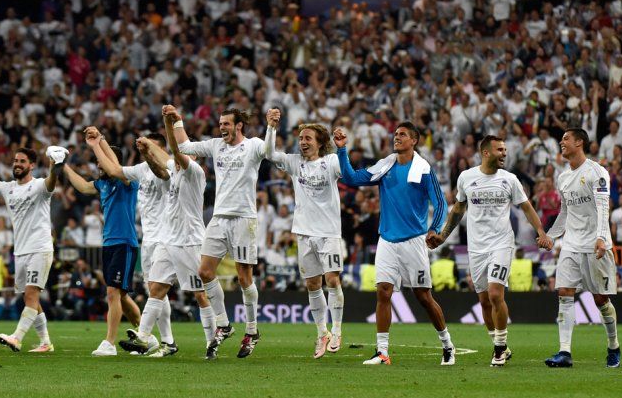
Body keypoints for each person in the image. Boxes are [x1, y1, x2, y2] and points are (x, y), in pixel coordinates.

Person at [334, 122, 455, 366]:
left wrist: (435, 229)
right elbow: (351, 177)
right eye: (395, 134)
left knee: (423, 297)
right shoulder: (385, 165)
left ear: (414, 141)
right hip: (387, 240)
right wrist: (342, 149)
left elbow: (440, 203)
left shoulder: (423, 169)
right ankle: (382, 352)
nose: (396, 137)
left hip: (413, 242)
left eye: (402, 135)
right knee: (383, 292)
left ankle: (447, 344)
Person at [428, 135, 551, 366]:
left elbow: (526, 207)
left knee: (496, 294)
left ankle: (499, 348)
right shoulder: (466, 177)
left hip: (501, 244)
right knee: (484, 300)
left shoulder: (509, 179)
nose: (504, 153)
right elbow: (458, 209)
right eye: (500, 150)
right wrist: (443, 236)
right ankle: (499, 343)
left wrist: (541, 232)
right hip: (477, 248)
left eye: (505, 149)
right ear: (486, 153)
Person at [167, 105, 266, 358]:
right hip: (219, 218)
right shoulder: (215, 145)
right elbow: (184, 147)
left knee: (244, 278)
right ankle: (223, 324)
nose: (222, 127)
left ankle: (252, 330)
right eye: (220, 123)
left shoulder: (253, 145)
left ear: (238, 125)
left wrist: (273, 127)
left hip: (243, 217)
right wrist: (177, 121)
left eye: (226, 124)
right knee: (204, 271)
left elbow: (270, 151)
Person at [120, 105, 217, 359]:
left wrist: (170, 123)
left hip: (190, 241)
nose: (181, 155)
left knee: (200, 295)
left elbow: (174, 151)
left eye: (186, 153)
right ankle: (143, 337)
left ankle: (212, 341)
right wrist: (148, 151)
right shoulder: (173, 172)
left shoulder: (194, 171)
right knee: (156, 289)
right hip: (168, 239)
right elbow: (160, 164)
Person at [0, 134, 60, 353]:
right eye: (16, 161)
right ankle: (46, 342)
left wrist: (55, 165)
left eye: (22, 161)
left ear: (32, 166)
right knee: (31, 298)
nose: (17, 164)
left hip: (40, 247)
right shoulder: (7, 188)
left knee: (31, 295)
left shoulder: (38, 186)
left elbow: (51, 181)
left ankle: (16, 338)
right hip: (21, 251)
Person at [264, 108, 345, 359]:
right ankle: (322, 334)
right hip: (303, 233)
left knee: (332, 280)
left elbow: (347, 171)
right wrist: (271, 127)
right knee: (312, 284)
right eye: (301, 138)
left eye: (308, 138)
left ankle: (338, 329)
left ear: (320, 143)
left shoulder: (330, 162)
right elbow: (268, 154)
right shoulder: (294, 162)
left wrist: (342, 148)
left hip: (329, 232)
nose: (303, 142)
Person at [87, 130, 177, 355]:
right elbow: (116, 168)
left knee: (190, 287)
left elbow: (119, 171)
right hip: (148, 239)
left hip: (168, 236)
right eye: (144, 146)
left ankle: (150, 337)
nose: (146, 150)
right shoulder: (141, 171)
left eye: (151, 147)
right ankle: (166, 341)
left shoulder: (168, 169)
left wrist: (100, 143)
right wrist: (101, 141)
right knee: (155, 290)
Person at [541, 128, 621, 368]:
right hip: (571, 245)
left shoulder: (597, 171)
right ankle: (564, 352)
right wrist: (551, 235)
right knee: (564, 292)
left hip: (595, 243)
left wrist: (601, 238)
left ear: (579, 142)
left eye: (566, 139)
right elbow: (565, 212)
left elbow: (603, 207)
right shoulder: (563, 178)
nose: (561, 142)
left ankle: (614, 345)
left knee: (600, 299)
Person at [62, 132, 142, 357]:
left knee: (112, 293)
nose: (98, 164)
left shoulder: (128, 181)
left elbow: (115, 166)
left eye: (101, 160)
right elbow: (83, 187)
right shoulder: (103, 184)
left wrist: (99, 143)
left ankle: (109, 343)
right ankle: (146, 334)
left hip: (125, 243)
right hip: (109, 245)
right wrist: (64, 167)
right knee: (121, 296)